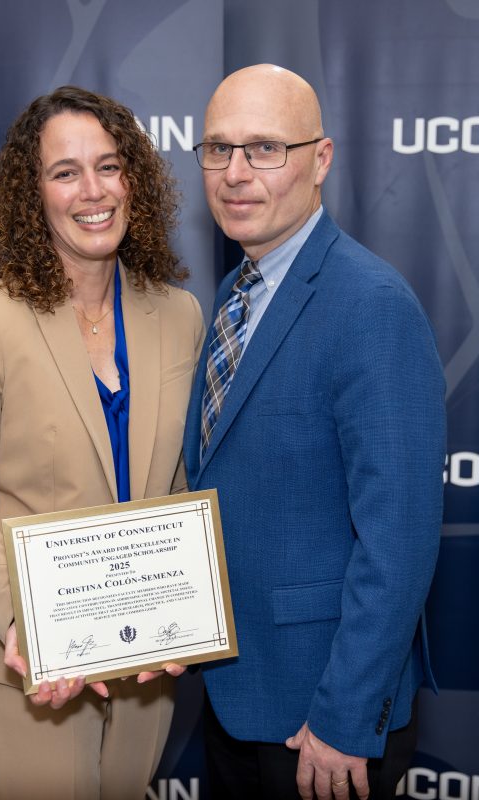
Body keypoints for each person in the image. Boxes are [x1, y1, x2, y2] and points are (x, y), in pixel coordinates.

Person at [0, 85, 203, 800]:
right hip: (27, 663)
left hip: (146, 657)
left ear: (133, 178)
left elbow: (183, 487)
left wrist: (189, 609)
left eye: (109, 166)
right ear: (33, 193)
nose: (93, 191)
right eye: (65, 172)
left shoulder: (178, 314)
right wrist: (25, 621)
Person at [183, 64, 446, 800]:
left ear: (321, 159)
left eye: (265, 148)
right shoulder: (237, 294)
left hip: (320, 717)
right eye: (217, 148)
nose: (235, 173)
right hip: (236, 690)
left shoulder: (371, 305)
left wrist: (344, 715)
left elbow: (399, 540)